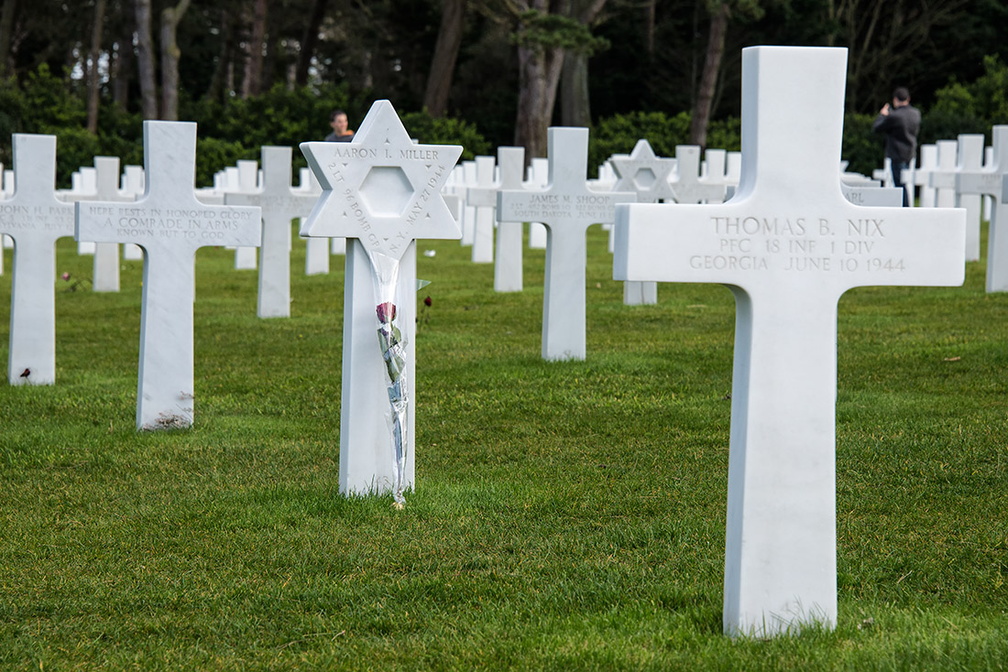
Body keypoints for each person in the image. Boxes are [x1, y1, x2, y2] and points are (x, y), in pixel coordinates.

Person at [872, 87, 920, 206]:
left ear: (895, 100)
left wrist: (883, 115)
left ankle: (905, 208)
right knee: (906, 182)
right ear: (908, 99)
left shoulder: (894, 116)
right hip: (910, 153)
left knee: (900, 185)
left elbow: (877, 128)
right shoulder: (916, 113)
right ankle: (906, 206)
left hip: (897, 154)